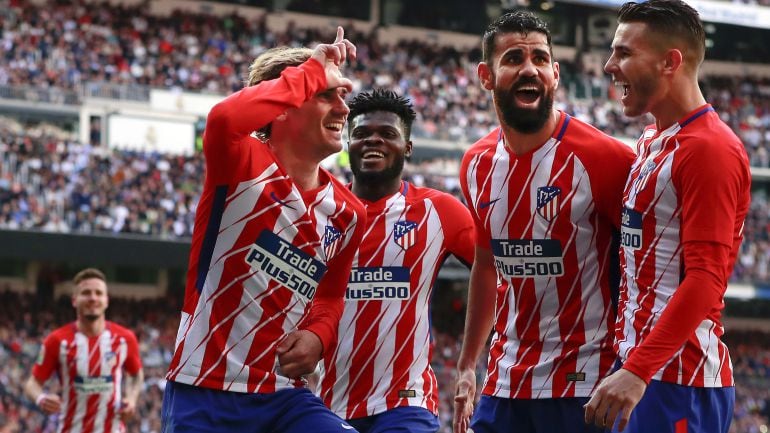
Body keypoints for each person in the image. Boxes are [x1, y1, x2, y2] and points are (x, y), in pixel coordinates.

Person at [161, 27, 367, 432]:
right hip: (204, 390)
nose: (344, 110)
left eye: (343, 97)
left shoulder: (348, 212)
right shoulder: (240, 163)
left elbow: (330, 296)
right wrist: (310, 72)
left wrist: (319, 336)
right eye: (327, 96)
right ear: (283, 106)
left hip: (283, 397)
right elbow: (223, 118)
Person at [452, 11, 636, 433]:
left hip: (585, 384)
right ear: (486, 75)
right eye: (514, 58)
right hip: (504, 381)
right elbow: (485, 263)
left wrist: (637, 366)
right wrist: (467, 364)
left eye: (539, 58)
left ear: (554, 73)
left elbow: (643, 269)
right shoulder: (475, 165)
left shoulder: (607, 160)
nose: (529, 67)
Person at [584, 1, 751, 432]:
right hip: (643, 371)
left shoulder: (710, 149)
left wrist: (639, 369)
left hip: (679, 379)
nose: (609, 66)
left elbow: (706, 279)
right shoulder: (651, 142)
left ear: (669, 61)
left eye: (623, 53)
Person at [317, 89, 475, 432]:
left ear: (407, 147)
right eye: (361, 133)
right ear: (348, 143)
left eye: (387, 134)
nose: (373, 140)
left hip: (406, 402)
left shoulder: (440, 211)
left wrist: (471, 360)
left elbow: (495, 275)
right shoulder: (322, 209)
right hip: (324, 403)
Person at [24, 268, 144, 433]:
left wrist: (131, 399)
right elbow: (32, 383)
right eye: (86, 293)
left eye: (98, 293)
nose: (93, 298)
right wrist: (41, 398)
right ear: (74, 300)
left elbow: (136, 374)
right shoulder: (56, 340)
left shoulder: (125, 339)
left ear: (106, 300)